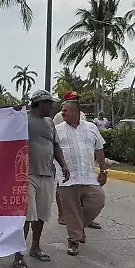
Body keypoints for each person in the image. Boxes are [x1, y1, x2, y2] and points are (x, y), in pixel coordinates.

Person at [11, 91, 70, 268]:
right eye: (49, 103)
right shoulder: (23, 118)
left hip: (47, 175)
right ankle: (18, 254)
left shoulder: (49, 122)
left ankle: (35, 247)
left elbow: (55, 145)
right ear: (39, 103)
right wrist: (12, 113)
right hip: (27, 175)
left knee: (42, 215)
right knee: (27, 217)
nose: (52, 107)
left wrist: (64, 165)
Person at [56, 100, 109, 256]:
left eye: (65, 110)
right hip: (67, 178)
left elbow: (99, 149)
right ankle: (74, 241)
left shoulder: (91, 128)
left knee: (97, 201)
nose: (62, 113)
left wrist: (103, 171)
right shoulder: (57, 130)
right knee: (71, 211)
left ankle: (78, 229)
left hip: (88, 177)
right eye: (62, 110)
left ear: (76, 112)